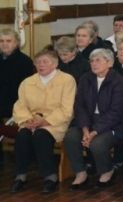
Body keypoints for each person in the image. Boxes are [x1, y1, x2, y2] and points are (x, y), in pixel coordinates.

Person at [11, 48, 76, 193]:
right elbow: (20, 105)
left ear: (55, 64)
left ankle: (50, 176)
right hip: (31, 121)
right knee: (22, 136)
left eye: (45, 62)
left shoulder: (67, 80)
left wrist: (45, 121)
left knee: (41, 135)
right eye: (38, 62)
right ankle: (20, 176)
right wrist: (28, 120)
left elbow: (67, 108)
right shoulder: (27, 82)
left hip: (56, 123)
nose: (41, 65)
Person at [63, 48, 123, 189]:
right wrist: (85, 129)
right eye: (92, 61)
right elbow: (80, 106)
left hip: (113, 124)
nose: (94, 63)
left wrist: (94, 132)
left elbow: (116, 112)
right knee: (71, 136)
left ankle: (107, 171)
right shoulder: (85, 79)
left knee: (97, 143)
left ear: (109, 63)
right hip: (87, 122)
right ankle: (80, 172)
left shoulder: (119, 81)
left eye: (98, 60)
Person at [0, 29, 34, 124]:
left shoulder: (25, 61)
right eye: (1, 41)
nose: (4, 44)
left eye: (8, 41)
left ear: (16, 43)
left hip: (14, 107)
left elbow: (26, 90)